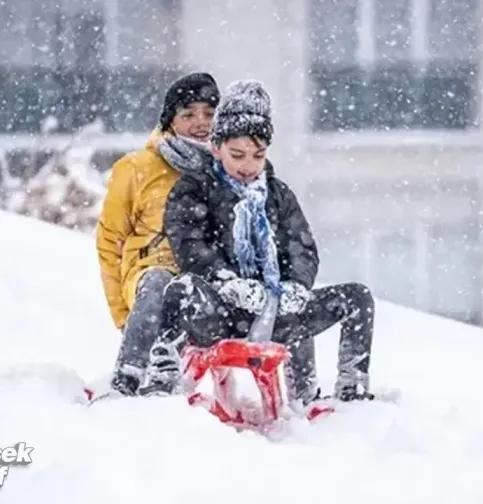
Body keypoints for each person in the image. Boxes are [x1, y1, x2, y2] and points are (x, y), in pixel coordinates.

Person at [154, 80, 376, 413]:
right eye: (237, 155)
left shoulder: (278, 194)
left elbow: (302, 247)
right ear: (216, 148)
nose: (248, 166)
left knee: (357, 297)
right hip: (223, 313)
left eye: (258, 155)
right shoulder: (194, 190)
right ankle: (162, 380)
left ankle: (352, 393)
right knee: (180, 288)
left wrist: (295, 287)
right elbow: (189, 245)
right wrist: (227, 281)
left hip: (277, 312)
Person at [95, 72, 220, 396]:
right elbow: (110, 242)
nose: (200, 123)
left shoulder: (228, 168)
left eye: (209, 113)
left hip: (202, 278)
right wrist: (123, 315)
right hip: (148, 277)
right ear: (169, 120)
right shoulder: (136, 167)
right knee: (160, 282)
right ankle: (128, 378)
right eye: (188, 114)